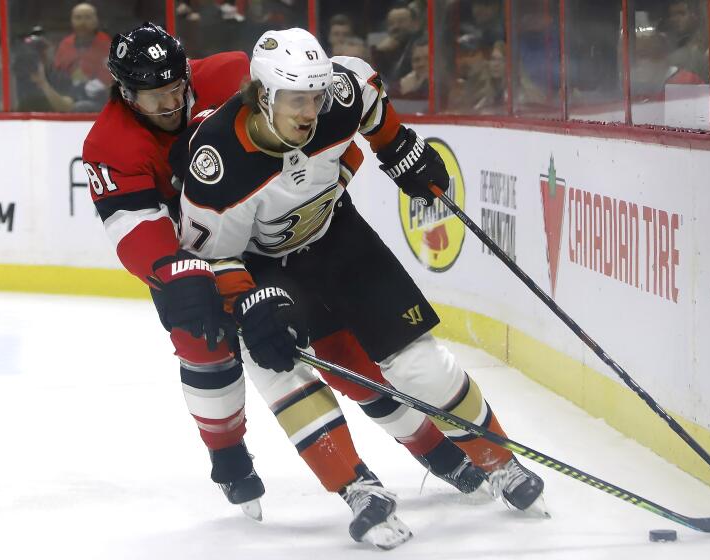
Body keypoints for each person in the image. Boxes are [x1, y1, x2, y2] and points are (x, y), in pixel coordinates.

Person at [82, 22, 487, 550]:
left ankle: (438, 450)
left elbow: (326, 113)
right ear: (124, 92)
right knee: (205, 348)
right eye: (155, 96)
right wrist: (176, 272)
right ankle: (228, 459)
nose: (173, 102)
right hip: (190, 253)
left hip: (268, 244)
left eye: (178, 86)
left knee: (342, 349)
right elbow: (140, 232)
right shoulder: (109, 145)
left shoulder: (232, 73)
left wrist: (373, 162)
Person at [172, 27, 548, 538]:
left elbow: (371, 102)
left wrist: (398, 148)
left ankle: (499, 461)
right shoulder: (216, 164)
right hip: (265, 266)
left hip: (336, 235)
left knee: (420, 363)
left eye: (316, 97)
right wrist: (247, 306)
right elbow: (212, 256)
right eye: (296, 100)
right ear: (261, 96)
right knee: (278, 365)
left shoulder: (340, 95)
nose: (310, 112)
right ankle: (357, 487)